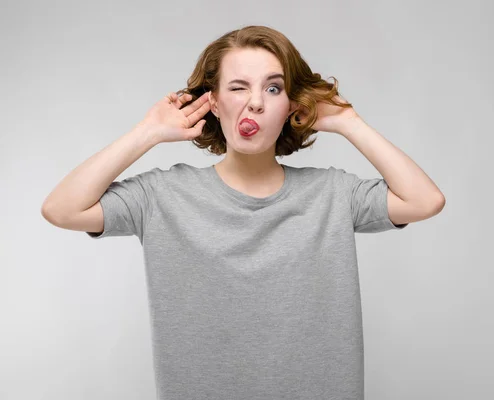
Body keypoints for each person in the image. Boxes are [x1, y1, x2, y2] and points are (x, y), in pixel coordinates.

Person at [41, 25, 445, 400]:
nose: (255, 102)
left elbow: (424, 201)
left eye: (273, 89)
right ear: (213, 102)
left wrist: (349, 122)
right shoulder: (162, 195)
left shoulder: (333, 193)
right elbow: (61, 209)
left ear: (291, 105)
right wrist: (147, 133)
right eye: (238, 87)